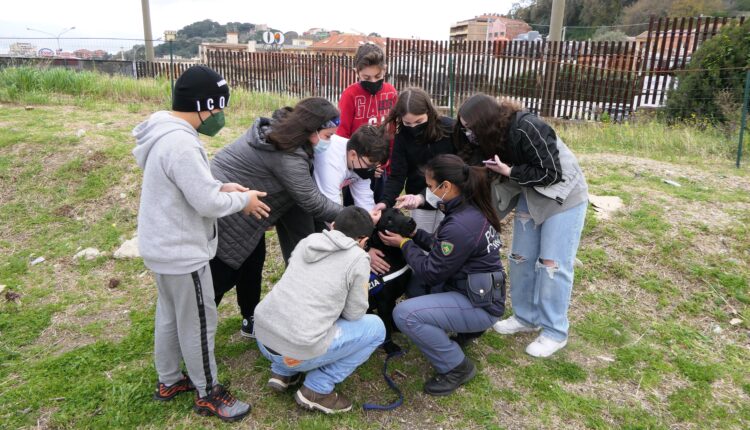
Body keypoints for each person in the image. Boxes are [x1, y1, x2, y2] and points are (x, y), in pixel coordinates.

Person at [133, 65, 266, 422]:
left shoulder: (165, 133)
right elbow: (207, 204)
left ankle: (169, 380)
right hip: (182, 252)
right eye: (219, 108)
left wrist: (223, 187)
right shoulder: (181, 143)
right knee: (199, 323)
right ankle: (209, 392)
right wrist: (244, 200)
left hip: (161, 246)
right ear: (203, 105)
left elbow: (192, 189)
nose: (220, 116)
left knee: (170, 316)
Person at [454, 94, 588, 358]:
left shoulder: (528, 127)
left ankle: (554, 331)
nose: (468, 133)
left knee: (552, 265)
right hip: (531, 193)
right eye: (464, 127)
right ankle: (526, 317)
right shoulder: (489, 138)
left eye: (471, 127)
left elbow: (552, 172)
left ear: (486, 123)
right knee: (519, 258)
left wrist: (509, 172)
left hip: (563, 196)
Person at [209, 98, 344, 339]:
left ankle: (250, 317)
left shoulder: (283, 135)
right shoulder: (286, 154)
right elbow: (310, 199)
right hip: (228, 215)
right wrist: (351, 216)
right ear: (311, 129)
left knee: (252, 262)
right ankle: (194, 330)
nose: (329, 141)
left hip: (248, 213)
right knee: (221, 275)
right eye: (327, 135)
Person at [379, 154, 505, 396]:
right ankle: (466, 330)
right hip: (475, 289)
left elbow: (431, 272)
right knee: (414, 288)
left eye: (429, 186)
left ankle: (456, 367)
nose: (429, 192)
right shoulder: (467, 208)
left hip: (479, 304)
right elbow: (442, 249)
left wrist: (404, 244)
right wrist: (415, 235)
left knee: (405, 314)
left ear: (445, 186)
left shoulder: (460, 224)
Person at [254, 206, 386, 414]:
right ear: (363, 240)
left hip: (263, 337)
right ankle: (317, 388)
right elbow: (354, 314)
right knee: (376, 328)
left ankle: (282, 372)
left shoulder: (309, 241)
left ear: (334, 226)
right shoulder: (358, 258)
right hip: (297, 350)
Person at [375, 87, 456, 236]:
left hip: (453, 198)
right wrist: (385, 202)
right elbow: (397, 176)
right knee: (422, 242)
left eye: (419, 121)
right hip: (419, 200)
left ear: (429, 112)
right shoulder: (402, 136)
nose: (413, 127)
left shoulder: (450, 128)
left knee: (448, 242)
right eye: (407, 123)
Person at [337, 42, 398, 204]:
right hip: (357, 168)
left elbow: (392, 132)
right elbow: (342, 134)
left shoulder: (391, 92)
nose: (372, 81)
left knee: (379, 208)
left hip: (381, 166)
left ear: (384, 70)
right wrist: (353, 165)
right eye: (366, 78)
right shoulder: (350, 95)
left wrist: (386, 164)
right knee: (355, 213)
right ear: (357, 73)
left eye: (378, 77)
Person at [313, 125, 390, 211]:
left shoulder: (359, 158)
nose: (371, 169)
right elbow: (330, 206)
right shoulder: (332, 165)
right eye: (369, 165)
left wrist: (370, 219)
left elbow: (364, 200)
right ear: (353, 155)